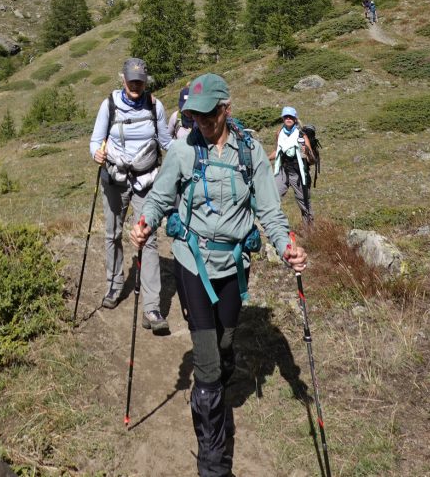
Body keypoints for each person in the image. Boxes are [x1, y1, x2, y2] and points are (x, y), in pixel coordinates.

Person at [130, 73, 307, 477]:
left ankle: (212, 392)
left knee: (226, 347)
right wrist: (145, 222)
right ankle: (212, 463)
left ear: (227, 109)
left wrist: (286, 248)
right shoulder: (182, 148)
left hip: (234, 267)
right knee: (208, 366)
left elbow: (269, 212)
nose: (203, 126)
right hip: (193, 262)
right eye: (195, 118)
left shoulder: (250, 153)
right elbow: (159, 196)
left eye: (210, 117)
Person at [90, 57, 173, 333]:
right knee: (112, 233)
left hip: (146, 180)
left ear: (145, 82)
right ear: (123, 80)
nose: (136, 85)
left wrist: (189, 150)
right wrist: (97, 153)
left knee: (147, 238)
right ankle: (114, 286)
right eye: (131, 80)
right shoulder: (109, 105)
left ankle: (151, 307)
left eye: (140, 81)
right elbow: (95, 141)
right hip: (114, 179)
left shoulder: (155, 106)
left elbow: (165, 142)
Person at [272, 107, 314, 224]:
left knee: (303, 202)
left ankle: (310, 231)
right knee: (273, 197)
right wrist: (263, 159)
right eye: (286, 117)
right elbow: (277, 151)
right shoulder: (279, 133)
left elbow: (311, 159)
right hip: (282, 170)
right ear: (283, 118)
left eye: (291, 117)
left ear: (295, 119)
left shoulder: (301, 135)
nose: (288, 119)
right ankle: (276, 227)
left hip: (297, 172)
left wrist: (306, 152)